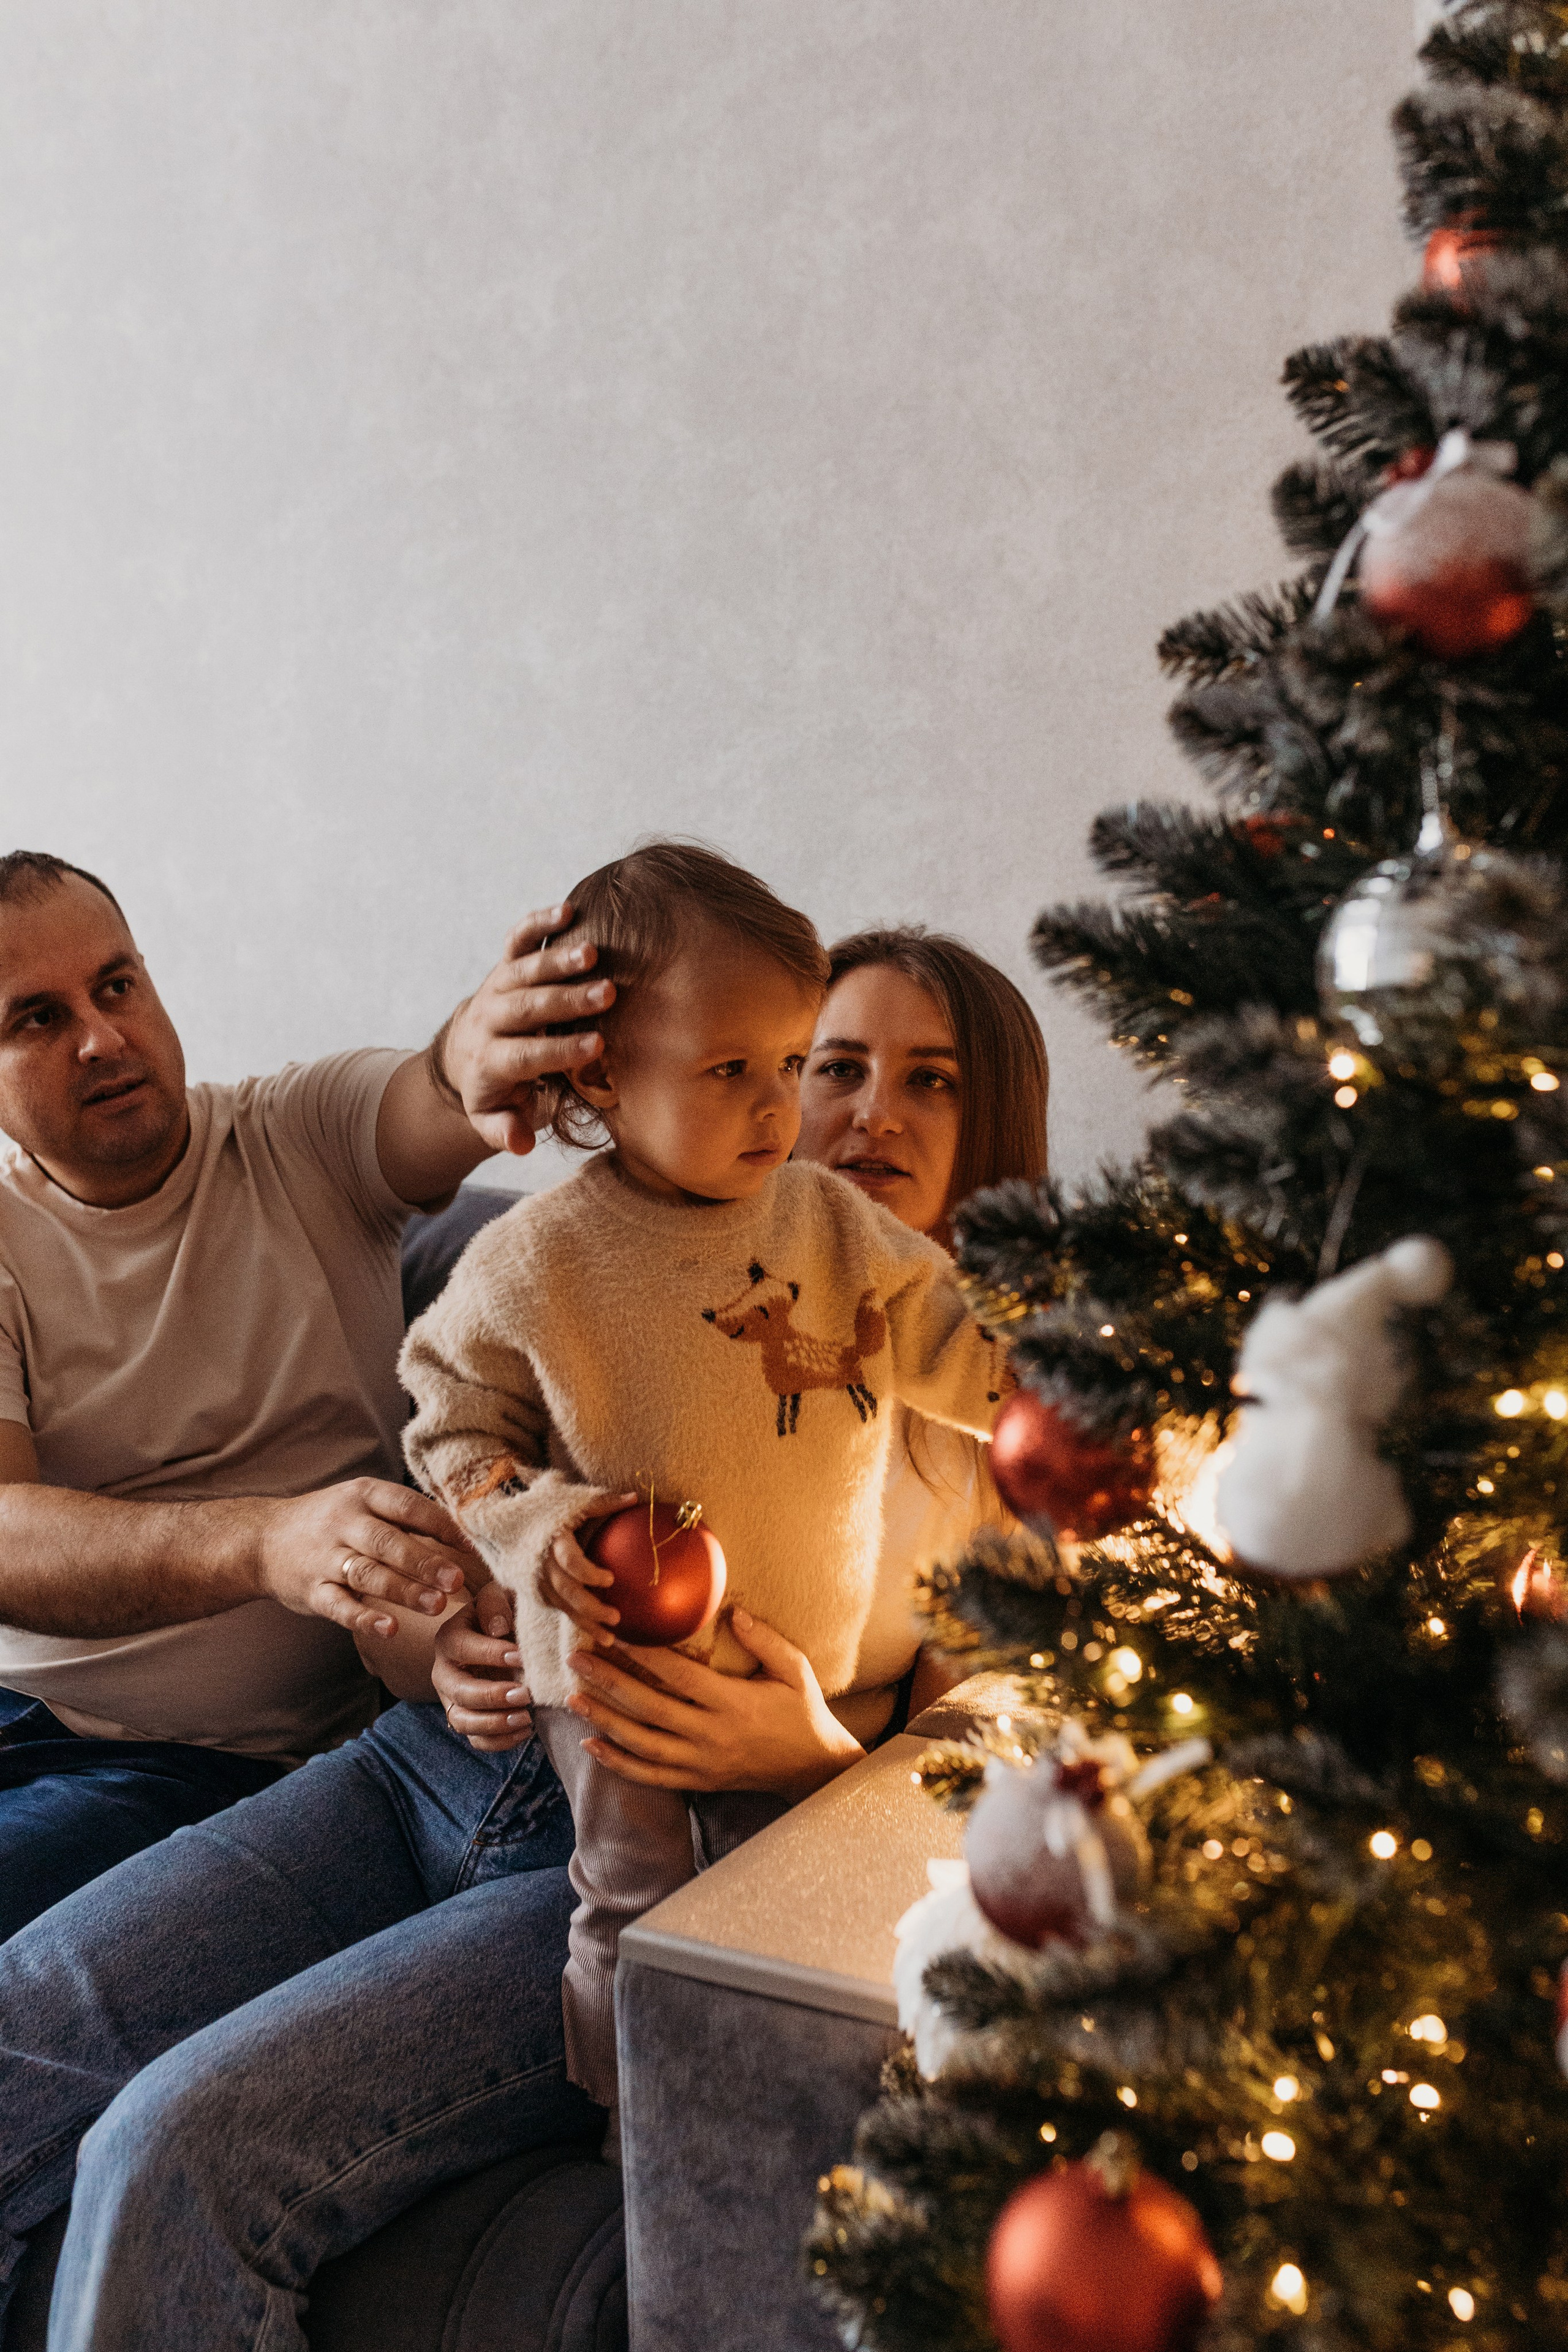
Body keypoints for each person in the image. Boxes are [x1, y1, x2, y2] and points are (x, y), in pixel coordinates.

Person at [0, 897, 1048, 2352]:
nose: (859, 1110)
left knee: (168, 2152)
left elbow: (1004, 1787)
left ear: (993, 1118)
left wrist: (814, 1757)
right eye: (827, 1065)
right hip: (414, 1765)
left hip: (639, 1856)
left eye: (926, 1076)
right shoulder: (592, 1280)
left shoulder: (1019, 1424)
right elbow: (441, 1488)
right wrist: (428, 1641)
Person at [400, 847, 1009, 2118]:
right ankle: (626, 2126)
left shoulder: (844, 1242)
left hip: (812, 1734)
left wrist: (1079, 1398)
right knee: (629, 1901)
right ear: (602, 1077)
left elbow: (957, 1351)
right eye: (745, 1070)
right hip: (614, 1673)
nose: (791, 1112)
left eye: (791, 1065)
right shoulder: (538, 1263)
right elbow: (452, 1431)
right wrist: (536, 1533)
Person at [0, 850, 616, 1935]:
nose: (101, 1037)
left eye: (115, 984)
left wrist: (476, 1050)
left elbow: (430, 1093)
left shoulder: (299, 1135)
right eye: (35, 1019)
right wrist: (264, 1543)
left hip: (195, 1769)